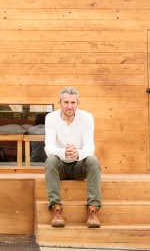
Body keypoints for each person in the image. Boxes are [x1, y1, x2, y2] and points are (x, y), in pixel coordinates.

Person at [44, 87, 101, 228]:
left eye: (73, 103)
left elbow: (90, 147)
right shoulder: (51, 118)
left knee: (93, 160)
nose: (70, 106)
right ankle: (56, 210)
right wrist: (64, 153)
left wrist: (78, 154)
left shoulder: (87, 117)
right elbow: (48, 148)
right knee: (50, 159)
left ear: (78, 103)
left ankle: (93, 211)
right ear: (59, 103)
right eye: (66, 102)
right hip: (60, 167)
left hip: (78, 166)